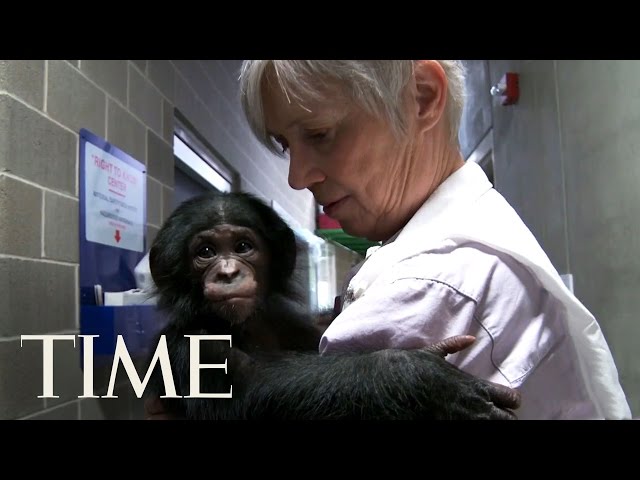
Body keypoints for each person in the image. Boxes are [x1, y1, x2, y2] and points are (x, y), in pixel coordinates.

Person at [233, 60, 631, 420]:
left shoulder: (428, 286)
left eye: (320, 134)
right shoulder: (479, 232)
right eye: (286, 145)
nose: (296, 178)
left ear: (422, 97)